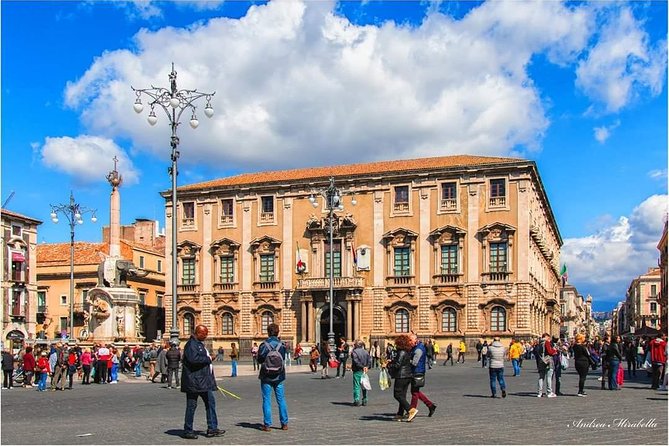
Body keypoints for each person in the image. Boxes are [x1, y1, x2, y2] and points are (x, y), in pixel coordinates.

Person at [181, 325, 224, 439]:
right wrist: (209, 359)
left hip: (203, 381)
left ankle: (212, 428)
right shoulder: (191, 345)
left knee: (210, 404)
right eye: (204, 333)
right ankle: (188, 430)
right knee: (191, 406)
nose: (206, 336)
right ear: (198, 333)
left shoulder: (198, 344)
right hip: (195, 382)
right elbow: (193, 360)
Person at [257, 322, 289, 432]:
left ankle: (267, 425)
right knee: (281, 400)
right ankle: (284, 423)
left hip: (266, 376)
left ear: (268, 332)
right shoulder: (282, 345)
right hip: (279, 376)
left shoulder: (263, 345)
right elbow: (283, 358)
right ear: (278, 332)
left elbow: (260, 359)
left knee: (267, 400)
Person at [407, 333, 436, 421]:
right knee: (415, 392)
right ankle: (430, 405)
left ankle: (412, 410)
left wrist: (406, 360)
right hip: (416, 371)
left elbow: (415, 363)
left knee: (415, 393)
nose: (409, 342)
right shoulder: (416, 347)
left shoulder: (418, 349)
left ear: (415, 340)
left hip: (417, 372)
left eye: (410, 341)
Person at [386, 334, 413, 421]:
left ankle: (410, 410)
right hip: (408, 375)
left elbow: (397, 365)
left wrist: (388, 365)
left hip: (402, 376)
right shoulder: (407, 351)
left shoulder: (401, 352)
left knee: (397, 394)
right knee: (402, 396)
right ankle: (400, 414)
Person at [534, 333, 557, 398]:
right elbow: (550, 351)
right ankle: (549, 392)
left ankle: (539, 392)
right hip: (547, 361)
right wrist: (554, 351)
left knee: (541, 377)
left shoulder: (539, 343)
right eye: (548, 337)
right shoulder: (546, 342)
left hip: (540, 361)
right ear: (546, 337)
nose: (549, 339)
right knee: (549, 377)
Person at [350, 340, 372, 406]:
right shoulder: (366, 352)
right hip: (364, 371)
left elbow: (356, 361)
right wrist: (367, 367)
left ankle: (356, 400)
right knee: (364, 385)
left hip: (357, 370)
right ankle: (365, 399)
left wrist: (362, 367)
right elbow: (369, 361)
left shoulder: (354, 352)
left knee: (356, 386)